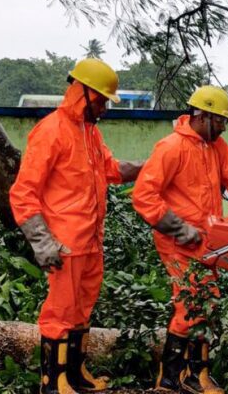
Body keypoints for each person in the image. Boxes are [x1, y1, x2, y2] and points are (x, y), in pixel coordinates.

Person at [9, 58, 144, 394]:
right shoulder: (51, 131)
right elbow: (23, 193)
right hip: (64, 243)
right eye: (100, 101)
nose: (104, 109)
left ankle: (76, 375)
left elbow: (113, 170)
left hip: (91, 241)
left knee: (82, 311)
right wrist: (42, 243)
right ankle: (53, 383)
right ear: (82, 93)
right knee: (60, 312)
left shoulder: (90, 134)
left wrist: (149, 167)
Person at [132, 85, 228, 394]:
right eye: (219, 121)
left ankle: (197, 376)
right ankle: (170, 380)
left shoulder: (215, 147)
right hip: (177, 241)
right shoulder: (171, 147)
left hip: (207, 240)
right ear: (202, 115)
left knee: (206, 301)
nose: (222, 126)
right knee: (189, 304)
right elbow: (144, 196)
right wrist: (180, 229)